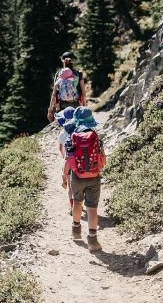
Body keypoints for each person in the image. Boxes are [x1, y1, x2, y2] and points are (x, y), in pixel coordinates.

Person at [66, 106, 104, 253]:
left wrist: (65, 176)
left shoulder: (73, 135)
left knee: (77, 202)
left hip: (77, 175)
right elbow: (103, 159)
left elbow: (68, 160)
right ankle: (93, 240)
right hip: (94, 176)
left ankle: (76, 230)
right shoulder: (95, 136)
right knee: (92, 208)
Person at [47, 51, 86, 122]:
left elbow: (54, 94)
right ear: (72, 61)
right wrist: (84, 106)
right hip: (76, 104)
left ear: (62, 60)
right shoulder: (79, 74)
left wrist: (50, 110)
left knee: (65, 125)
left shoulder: (58, 74)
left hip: (62, 105)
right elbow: (83, 92)